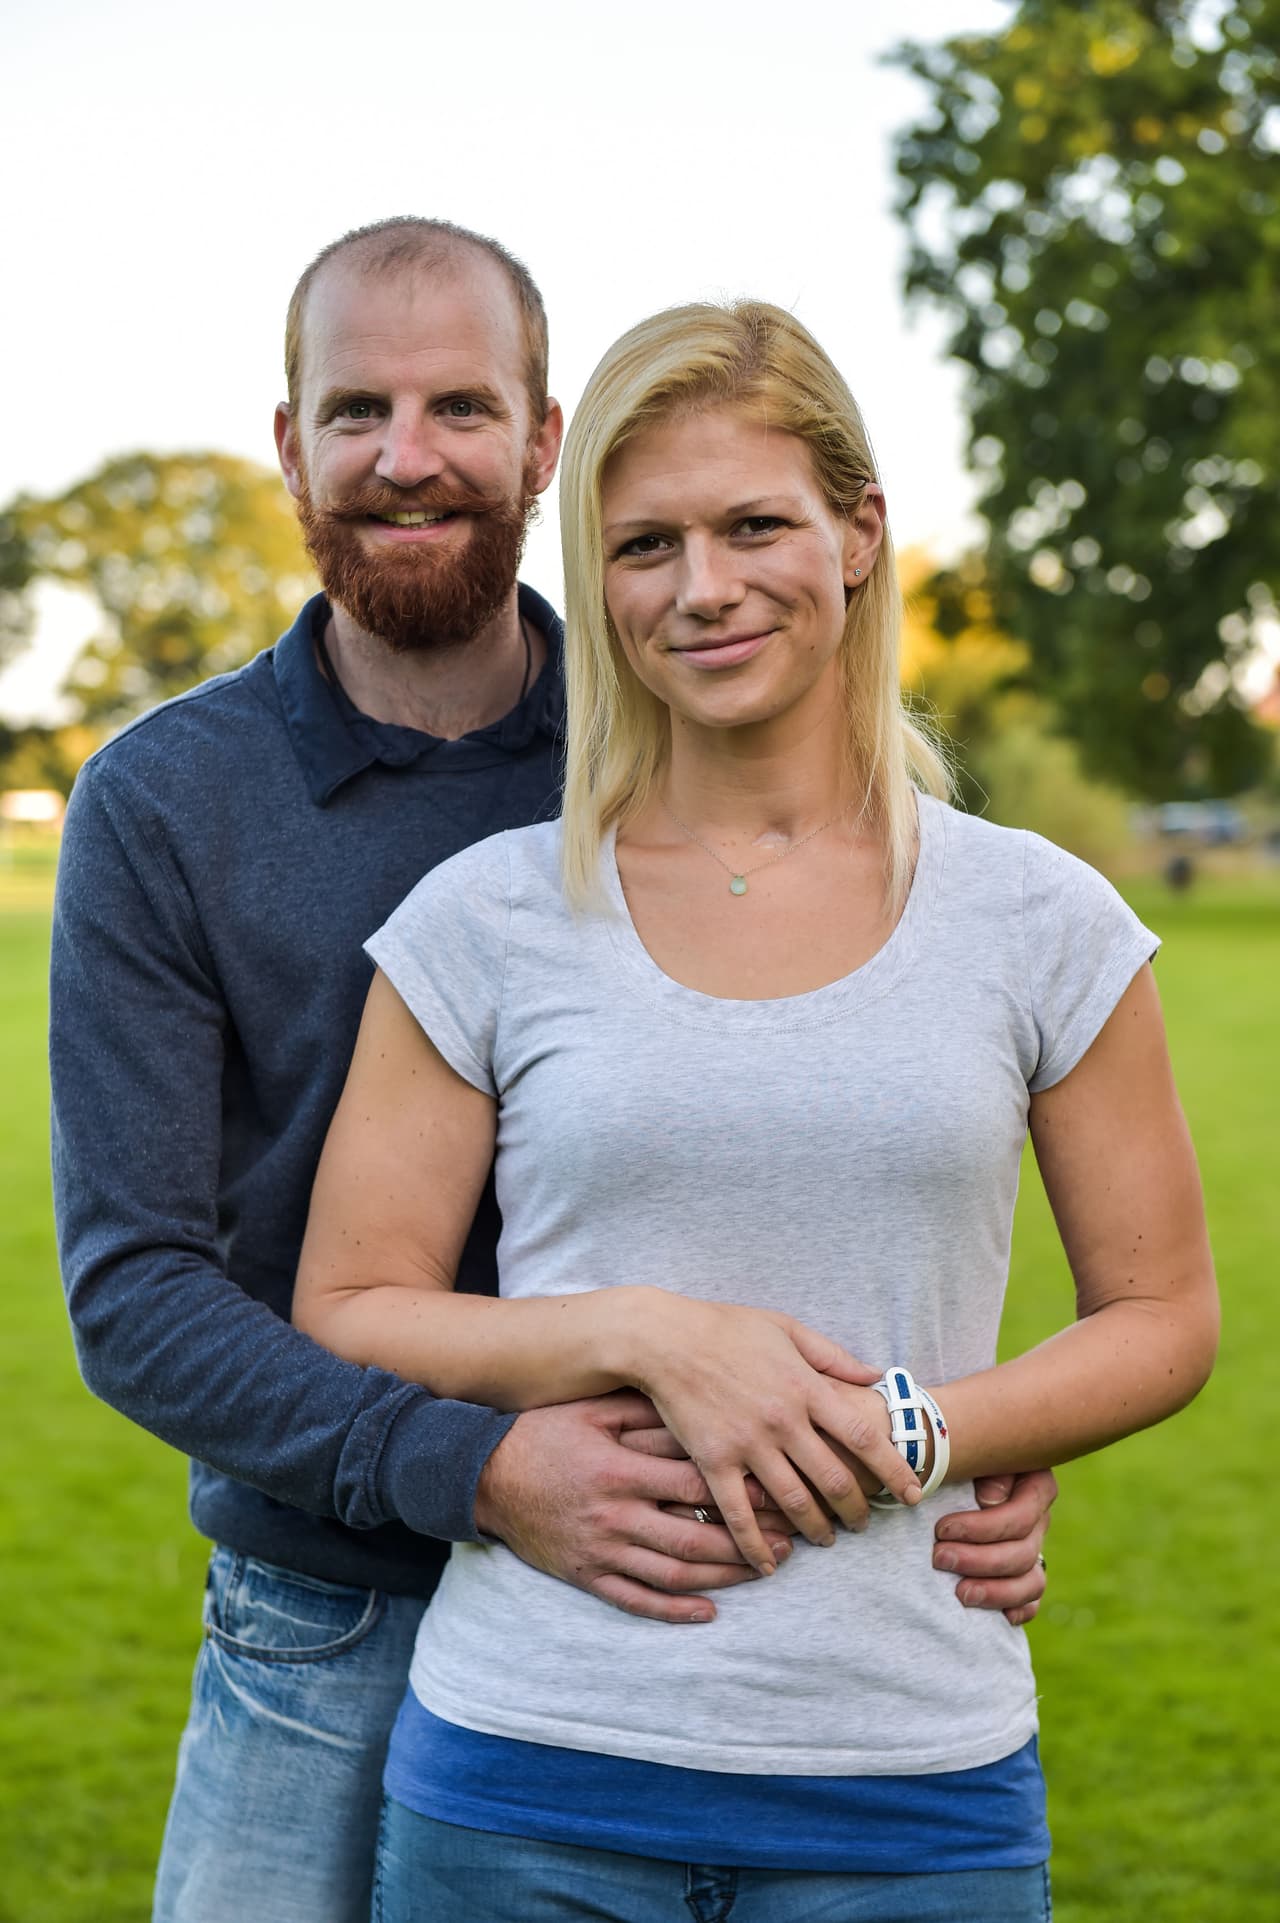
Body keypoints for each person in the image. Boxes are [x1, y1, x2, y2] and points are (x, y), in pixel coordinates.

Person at [50, 225, 1055, 1923]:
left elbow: (881, 1079)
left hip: (728, 1588)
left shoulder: (697, 703)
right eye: (355, 408)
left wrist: (958, 1428)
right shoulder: (165, 805)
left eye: (463, 404)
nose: (408, 455)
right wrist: (480, 1469)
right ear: (289, 445)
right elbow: (137, 1292)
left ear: (544, 438)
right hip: (332, 1606)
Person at [293, 296, 1220, 1922]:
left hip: (910, 1790)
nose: (703, 588)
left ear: (858, 535)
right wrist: (651, 1331)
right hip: (525, 1779)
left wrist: (924, 1432)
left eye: (753, 526)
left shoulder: (1040, 919)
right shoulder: (483, 917)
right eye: (645, 544)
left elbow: (1160, 1314)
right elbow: (354, 1302)